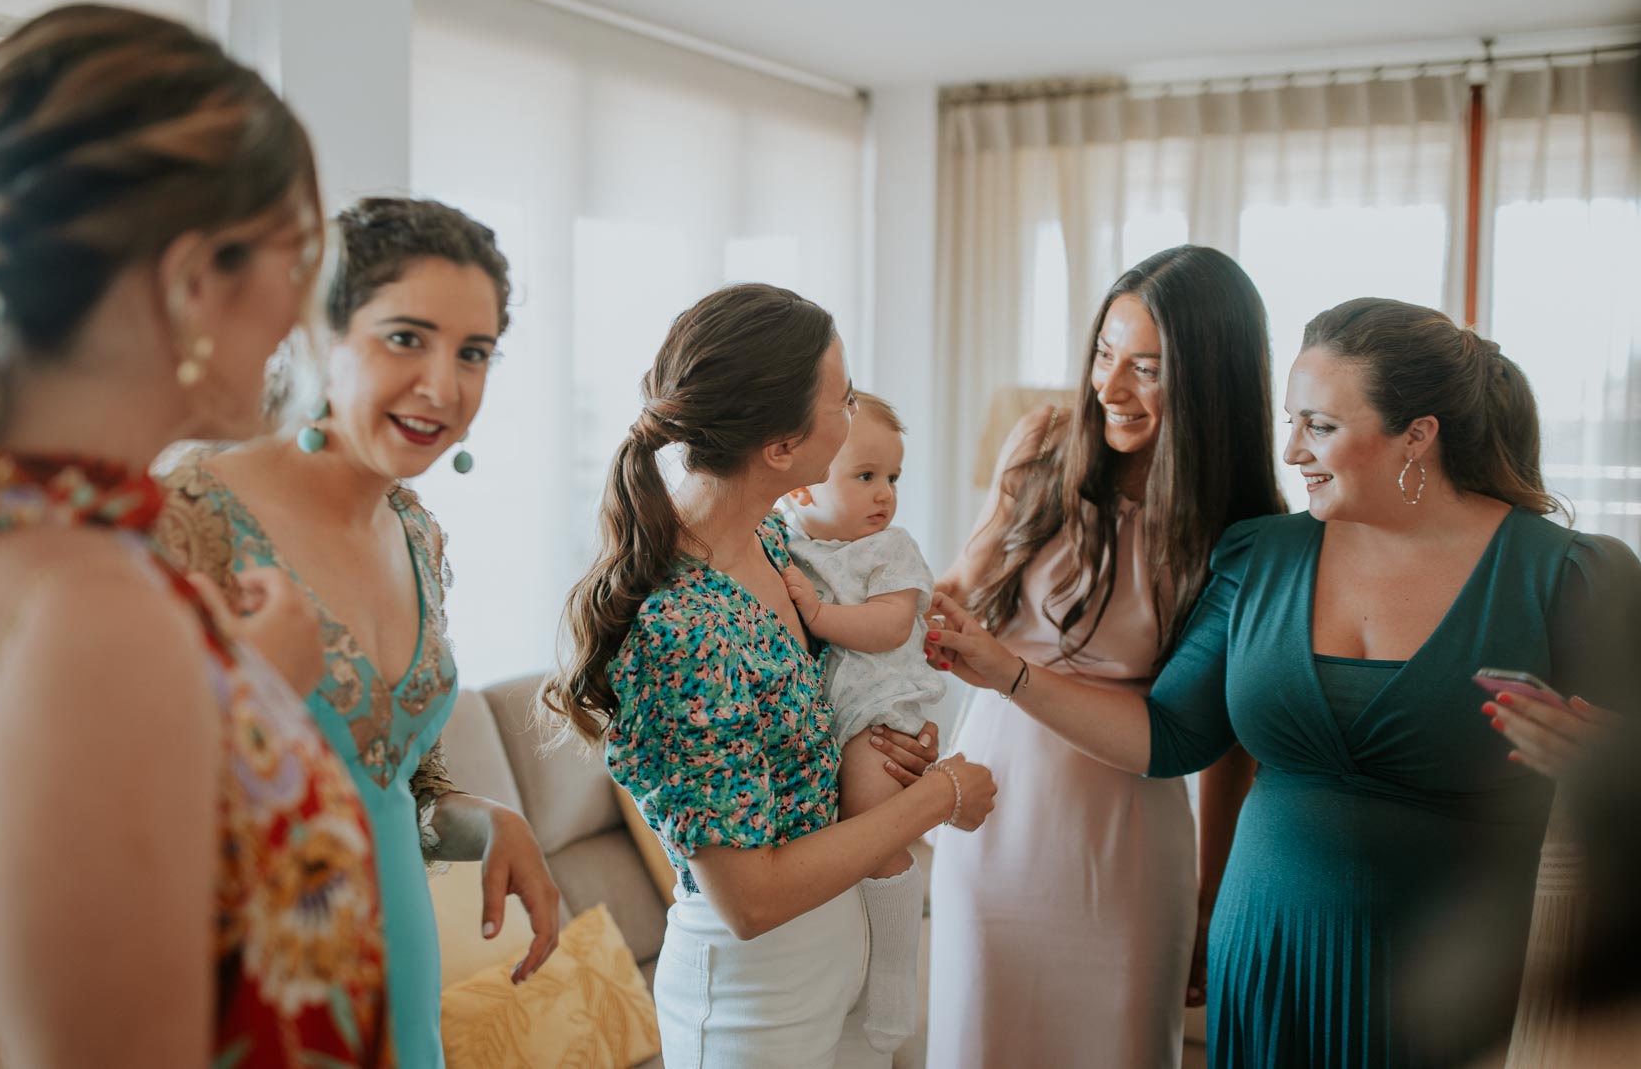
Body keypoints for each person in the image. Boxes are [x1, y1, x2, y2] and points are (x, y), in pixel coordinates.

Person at [928, 296, 1641, 1068]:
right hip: (1265, 960)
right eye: (1290, 423)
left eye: (1320, 427)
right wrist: (1008, 672)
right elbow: (1168, 737)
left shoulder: (1570, 575)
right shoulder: (1259, 555)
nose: (1292, 451)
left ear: (1417, 436)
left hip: (1456, 983)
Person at [0, 4, 389, 1065]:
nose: (302, 321)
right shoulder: (90, 614)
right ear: (195, 280)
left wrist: (245, 692)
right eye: (299, 266)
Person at [543, 283, 996, 1068]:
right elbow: (749, 899)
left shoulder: (774, 546)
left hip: (834, 948)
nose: (855, 415)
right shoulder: (680, 623)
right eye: (844, 398)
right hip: (756, 996)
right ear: (782, 448)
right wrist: (937, 795)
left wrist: (882, 745)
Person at [155, 196, 560, 1069]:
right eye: (406, 338)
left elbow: (389, 784)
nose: (443, 387)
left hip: (400, 1002)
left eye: (474, 353)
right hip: (243, 996)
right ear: (314, 333)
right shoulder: (186, 518)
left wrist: (483, 820)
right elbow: (109, 799)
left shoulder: (416, 533)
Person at [924, 245, 1277, 1068]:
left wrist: (1209, 891)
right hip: (991, 819)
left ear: (1210, 378)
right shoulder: (1042, 445)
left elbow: (1223, 739)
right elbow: (957, 589)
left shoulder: (1244, 529)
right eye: (1102, 354)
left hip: (1124, 841)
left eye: (1145, 367)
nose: (1108, 388)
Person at [778, 389, 943, 1052]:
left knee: (875, 825)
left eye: (892, 477)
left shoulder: (890, 549)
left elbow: (890, 623)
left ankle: (896, 971)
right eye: (865, 475)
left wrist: (817, 615)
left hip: (879, 711)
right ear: (798, 490)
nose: (885, 494)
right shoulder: (782, 546)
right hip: (828, 715)